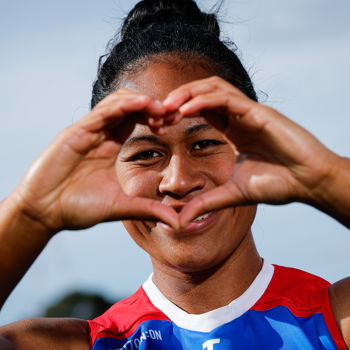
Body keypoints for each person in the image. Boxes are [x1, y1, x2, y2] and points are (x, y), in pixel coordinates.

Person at [0, 0, 350, 348]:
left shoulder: (334, 321)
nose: (178, 181)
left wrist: (323, 177)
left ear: (256, 147)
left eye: (205, 144)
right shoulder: (82, 344)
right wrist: (31, 215)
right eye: (147, 154)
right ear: (110, 174)